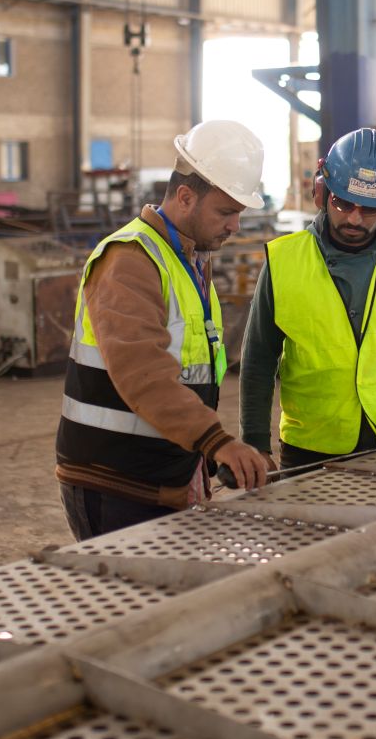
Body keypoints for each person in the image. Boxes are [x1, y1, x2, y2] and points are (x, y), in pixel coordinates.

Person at [56, 120, 275, 539]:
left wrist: (199, 458)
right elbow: (143, 373)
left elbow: (190, 370)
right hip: (114, 483)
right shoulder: (129, 260)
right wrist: (216, 441)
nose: (235, 226)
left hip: (161, 475)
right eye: (226, 212)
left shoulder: (188, 260)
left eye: (239, 213)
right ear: (186, 197)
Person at [241, 127, 376, 468]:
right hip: (309, 446)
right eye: (342, 203)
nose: (354, 219)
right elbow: (259, 357)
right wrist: (256, 442)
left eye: (370, 208)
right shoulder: (283, 261)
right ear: (322, 191)